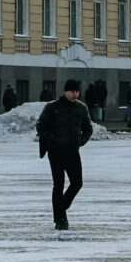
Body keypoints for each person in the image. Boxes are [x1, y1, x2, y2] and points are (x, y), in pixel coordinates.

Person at [37, 78, 95, 230]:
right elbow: (41, 126)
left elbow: (88, 128)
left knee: (77, 183)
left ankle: (60, 209)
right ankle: (61, 219)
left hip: (72, 151)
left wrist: (80, 141)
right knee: (59, 185)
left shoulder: (81, 108)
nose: (75, 94)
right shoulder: (53, 107)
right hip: (56, 152)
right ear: (65, 91)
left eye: (77, 91)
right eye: (72, 91)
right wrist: (52, 141)